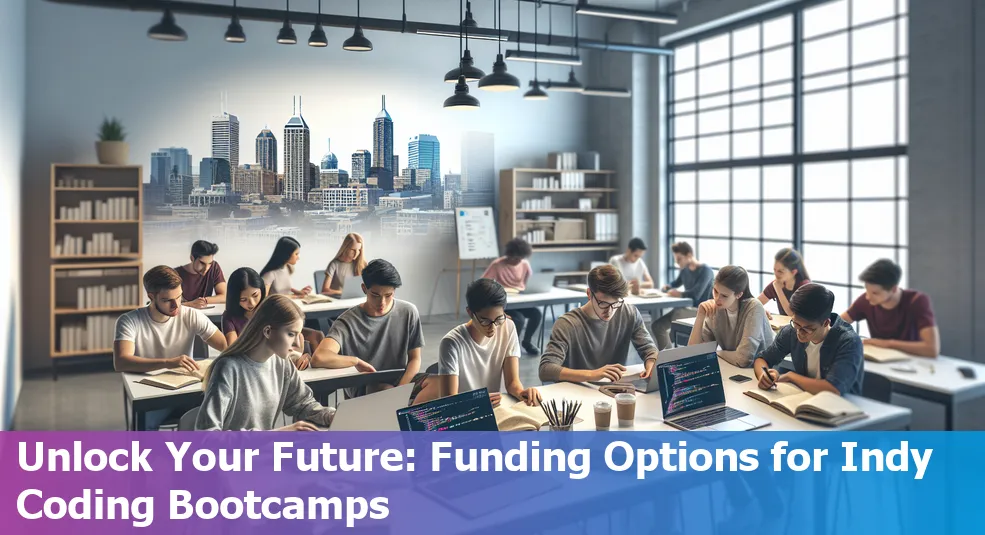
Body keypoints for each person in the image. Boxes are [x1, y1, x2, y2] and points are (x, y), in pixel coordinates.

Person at [196, 295, 335, 431]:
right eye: (291, 334)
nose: (298, 343)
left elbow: (303, 404)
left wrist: (331, 416)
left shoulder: (282, 363)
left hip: (264, 450)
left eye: (299, 335)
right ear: (267, 331)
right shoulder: (228, 368)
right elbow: (207, 433)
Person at [113, 265, 228, 429]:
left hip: (188, 391)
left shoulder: (191, 314)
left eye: (179, 297)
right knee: (146, 431)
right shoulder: (129, 321)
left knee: (217, 417)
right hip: (151, 396)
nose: (176, 306)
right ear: (151, 296)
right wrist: (168, 362)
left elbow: (226, 347)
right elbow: (121, 362)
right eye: (167, 300)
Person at [414, 278, 542, 408]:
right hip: (465, 413)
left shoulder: (508, 327)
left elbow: (512, 383)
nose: (493, 327)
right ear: (470, 312)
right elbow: (450, 401)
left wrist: (522, 393)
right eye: (485, 321)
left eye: (498, 318)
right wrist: (478, 403)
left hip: (493, 407)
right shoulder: (452, 342)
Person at [311, 259, 423, 398]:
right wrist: (356, 361)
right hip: (366, 385)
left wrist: (401, 389)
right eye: (375, 295)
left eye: (388, 295)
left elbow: (415, 359)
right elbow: (319, 357)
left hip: (400, 380)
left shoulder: (409, 311)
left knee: (438, 384)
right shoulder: (347, 321)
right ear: (364, 289)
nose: (382, 302)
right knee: (386, 391)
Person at [539, 265, 659, 384]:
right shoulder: (567, 324)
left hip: (613, 390)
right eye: (603, 303)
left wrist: (651, 362)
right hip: (576, 393)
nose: (610, 311)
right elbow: (546, 369)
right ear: (589, 294)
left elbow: (649, 349)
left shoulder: (630, 313)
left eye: (616, 303)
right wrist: (592, 374)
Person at [754, 283, 864, 395]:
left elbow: (834, 389)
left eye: (807, 329)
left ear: (826, 322)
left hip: (841, 406)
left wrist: (791, 377)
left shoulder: (849, 341)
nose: (799, 332)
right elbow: (762, 359)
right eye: (796, 324)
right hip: (805, 399)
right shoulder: (791, 331)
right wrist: (764, 375)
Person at [840, 259, 940, 358]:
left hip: (913, 362)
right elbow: (837, 323)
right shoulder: (866, 301)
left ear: (893, 289)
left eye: (875, 293)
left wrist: (888, 344)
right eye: (867, 290)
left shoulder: (917, 301)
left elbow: (932, 349)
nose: (868, 297)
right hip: (879, 360)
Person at [223, 267, 316, 370]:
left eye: (255, 295)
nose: (252, 303)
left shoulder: (270, 308)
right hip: (251, 366)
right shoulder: (230, 317)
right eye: (243, 299)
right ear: (234, 299)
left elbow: (291, 340)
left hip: (280, 363)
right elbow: (234, 350)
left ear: (261, 290)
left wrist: (303, 357)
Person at [688, 265, 774, 368]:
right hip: (734, 367)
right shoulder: (715, 308)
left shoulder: (754, 307)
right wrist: (700, 315)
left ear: (739, 295)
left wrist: (718, 353)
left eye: (724, 296)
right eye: (715, 291)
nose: (717, 299)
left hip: (763, 371)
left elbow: (743, 359)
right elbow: (694, 353)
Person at [482, 238, 540, 355]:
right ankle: (512, 346)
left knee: (536, 314)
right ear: (509, 255)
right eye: (516, 258)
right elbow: (483, 284)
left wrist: (528, 289)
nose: (518, 261)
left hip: (521, 299)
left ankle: (527, 342)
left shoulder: (524, 264)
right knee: (519, 319)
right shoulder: (497, 265)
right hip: (504, 303)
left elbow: (530, 281)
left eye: (521, 258)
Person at [651, 241, 714, 349]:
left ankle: (671, 355)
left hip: (700, 311)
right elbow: (675, 283)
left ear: (689, 255)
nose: (677, 262)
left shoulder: (706, 271)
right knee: (657, 326)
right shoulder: (685, 271)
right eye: (676, 259)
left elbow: (696, 294)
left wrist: (679, 294)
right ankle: (668, 357)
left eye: (679, 259)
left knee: (673, 318)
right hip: (687, 309)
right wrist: (667, 287)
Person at [757, 247, 811, 318]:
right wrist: (761, 310)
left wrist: (778, 289)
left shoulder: (805, 286)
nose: (776, 274)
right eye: (774, 270)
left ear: (793, 272)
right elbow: (754, 304)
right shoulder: (777, 283)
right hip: (786, 327)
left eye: (780, 271)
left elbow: (792, 315)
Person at [175, 240, 226, 308]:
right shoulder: (175, 274)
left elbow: (225, 297)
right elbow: (169, 304)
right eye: (202, 263)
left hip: (205, 314)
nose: (206, 268)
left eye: (210, 263)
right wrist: (190, 304)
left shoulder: (214, 267)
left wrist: (203, 301)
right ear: (192, 258)